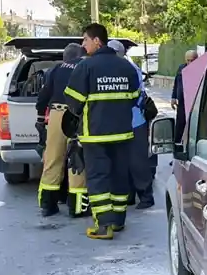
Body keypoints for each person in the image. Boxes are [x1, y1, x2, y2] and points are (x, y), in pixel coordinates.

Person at [64, 23, 141, 240]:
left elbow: (73, 102)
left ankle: (103, 225)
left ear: (97, 41)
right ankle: (117, 221)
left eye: (85, 40)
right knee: (118, 176)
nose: (83, 44)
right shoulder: (126, 67)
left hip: (95, 134)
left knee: (98, 178)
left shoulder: (86, 67)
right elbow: (136, 97)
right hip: (123, 133)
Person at [37, 43, 89, 217]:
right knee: (77, 160)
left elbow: (43, 96)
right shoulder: (85, 67)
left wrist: (40, 120)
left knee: (52, 158)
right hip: (78, 115)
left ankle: (48, 205)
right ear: (82, 55)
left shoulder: (56, 69)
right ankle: (77, 207)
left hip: (56, 114)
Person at [108, 39, 158, 209]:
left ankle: (145, 196)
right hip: (124, 121)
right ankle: (129, 195)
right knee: (124, 160)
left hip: (134, 120)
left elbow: (135, 95)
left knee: (137, 161)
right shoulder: (119, 68)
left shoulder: (129, 69)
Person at [171, 49, 198, 141]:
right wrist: (173, 97)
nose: (190, 62)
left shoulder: (200, 69)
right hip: (182, 101)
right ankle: (177, 144)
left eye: (192, 60)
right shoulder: (181, 68)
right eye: (188, 60)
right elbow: (176, 83)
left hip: (193, 102)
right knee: (180, 123)